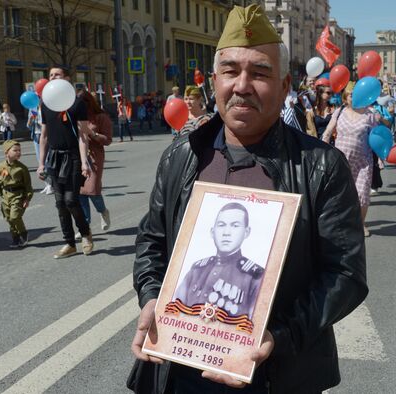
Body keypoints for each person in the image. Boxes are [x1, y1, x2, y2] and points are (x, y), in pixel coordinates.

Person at [130, 5, 367, 394]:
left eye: (259, 73)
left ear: (286, 85)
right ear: (214, 81)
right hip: (180, 372)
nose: (242, 85)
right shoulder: (182, 156)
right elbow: (151, 242)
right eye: (230, 71)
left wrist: (279, 336)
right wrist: (152, 296)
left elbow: (345, 274)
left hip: (277, 376)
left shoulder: (321, 166)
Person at [36, 67, 94, 259]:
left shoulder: (77, 105)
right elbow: (43, 136)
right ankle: (69, 243)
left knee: (71, 200)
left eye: (57, 74)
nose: (53, 77)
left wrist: (85, 162)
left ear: (67, 79)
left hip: (73, 157)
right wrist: (41, 163)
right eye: (51, 75)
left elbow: (83, 136)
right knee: (60, 203)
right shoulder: (46, 105)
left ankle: (85, 234)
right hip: (55, 157)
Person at [174, 203, 264, 320]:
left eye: (235, 226)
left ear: (246, 232)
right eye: (221, 225)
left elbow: (253, 326)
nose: (226, 232)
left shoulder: (255, 277)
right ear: (212, 231)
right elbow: (174, 309)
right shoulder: (197, 269)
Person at [323, 83, 379, 237]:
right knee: (339, 194)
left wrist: (380, 157)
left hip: (363, 161)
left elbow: (377, 138)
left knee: (362, 194)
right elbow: (328, 132)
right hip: (341, 160)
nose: (353, 97)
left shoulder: (370, 114)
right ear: (345, 97)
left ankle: (360, 224)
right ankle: (340, 223)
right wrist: (322, 150)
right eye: (350, 94)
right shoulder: (339, 112)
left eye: (356, 94)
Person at [76, 90, 112, 237]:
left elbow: (108, 140)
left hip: (95, 156)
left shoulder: (101, 117)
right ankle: (85, 226)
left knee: (93, 190)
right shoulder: (76, 117)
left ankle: (103, 211)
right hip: (78, 156)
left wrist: (93, 134)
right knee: (81, 193)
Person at [0, 140, 34, 248]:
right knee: (9, 219)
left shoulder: (22, 168)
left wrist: (27, 199)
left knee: (15, 217)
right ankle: (15, 238)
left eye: (19, 150)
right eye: (15, 150)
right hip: (5, 196)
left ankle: (23, 234)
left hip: (18, 196)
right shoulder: (0, 167)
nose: (18, 152)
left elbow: (28, 185)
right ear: (6, 153)